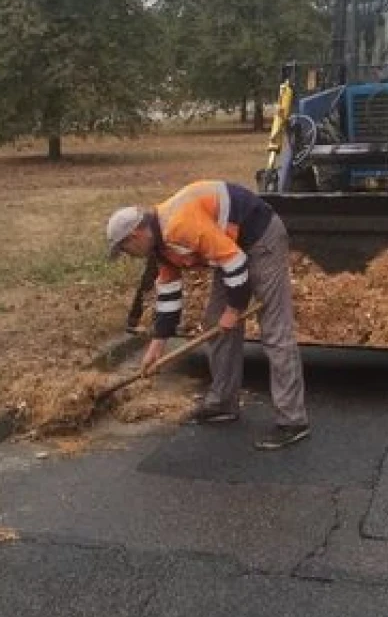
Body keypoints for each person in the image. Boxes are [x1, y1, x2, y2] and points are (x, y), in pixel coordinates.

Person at [106, 180, 309, 451]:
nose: (128, 256)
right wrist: (157, 345)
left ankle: (292, 420)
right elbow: (168, 296)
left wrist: (234, 310)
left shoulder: (178, 226)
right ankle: (223, 403)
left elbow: (236, 263)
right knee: (215, 321)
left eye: (125, 250)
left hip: (261, 238)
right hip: (230, 246)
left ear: (135, 236)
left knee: (274, 330)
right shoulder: (161, 246)